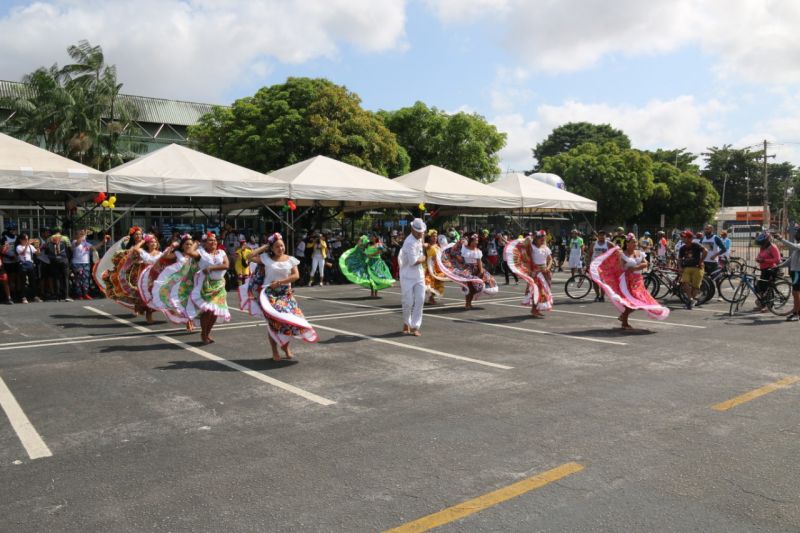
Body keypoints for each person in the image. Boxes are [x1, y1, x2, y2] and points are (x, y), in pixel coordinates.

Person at [245, 233, 317, 360]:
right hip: (269, 296)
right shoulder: (266, 258)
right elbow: (249, 256)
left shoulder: (290, 259)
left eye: (282, 246)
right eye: (277, 246)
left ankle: (286, 347)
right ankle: (275, 351)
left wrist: (280, 282)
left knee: (289, 321)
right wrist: (265, 246)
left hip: (285, 294)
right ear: (272, 248)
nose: (281, 249)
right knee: (273, 324)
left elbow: (296, 276)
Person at [589, 233, 669, 328]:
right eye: (633, 242)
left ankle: (623, 317)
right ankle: (624, 321)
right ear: (627, 243)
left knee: (640, 301)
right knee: (631, 301)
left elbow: (645, 263)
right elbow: (622, 267)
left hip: (638, 280)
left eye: (635, 242)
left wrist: (635, 267)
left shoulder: (639, 252)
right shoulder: (623, 254)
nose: (635, 244)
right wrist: (629, 268)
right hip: (627, 281)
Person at [149, 234, 199, 331]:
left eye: (190, 244)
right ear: (182, 245)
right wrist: (172, 246)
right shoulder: (177, 254)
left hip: (191, 280)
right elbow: (164, 256)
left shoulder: (196, 254)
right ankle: (187, 321)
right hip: (178, 282)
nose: (188, 246)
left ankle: (190, 320)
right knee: (180, 302)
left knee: (191, 301)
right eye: (186, 244)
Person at [436, 233, 498, 310]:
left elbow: (479, 262)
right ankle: (467, 304)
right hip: (467, 270)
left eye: (477, 240)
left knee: (479, 286)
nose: (477, 242)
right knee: (469, 287)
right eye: (475, 240)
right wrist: (461, 241)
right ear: (471, 241)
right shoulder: (464, 248)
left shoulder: (478, 251)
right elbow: (454, 251)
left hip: (476, 269)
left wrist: (481, 271)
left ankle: (469, 303)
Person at [187, 232, 230, 344]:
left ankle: (207, 333)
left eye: (215, 240)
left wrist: (211, 267)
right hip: (206, 285)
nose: (213, 242)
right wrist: (196, 242)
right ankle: (203, 333)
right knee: (208, 311)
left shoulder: (221, 252)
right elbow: (189, 252)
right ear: (204, 243)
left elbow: (226, 265)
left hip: (219, 285)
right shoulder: (201, 253)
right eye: (210, 240)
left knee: (215, 312)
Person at [400, 219, 427, 336]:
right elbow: (413, 262)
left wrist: (424, 244)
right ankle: (406, 322)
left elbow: (421, 244)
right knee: (408, 302)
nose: (421, 233)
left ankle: (415, 326)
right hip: (407, 276)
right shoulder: (409, 242)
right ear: (412, 230)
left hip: (419, 275)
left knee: (420, 300)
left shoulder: (419, 238)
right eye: (418, 232)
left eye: (422, 232)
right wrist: (423, 258)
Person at [72, 230, 109, 300]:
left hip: (86, 263)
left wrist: (103, 242)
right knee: (78, 279)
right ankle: (79, 294)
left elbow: (94, 248)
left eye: (84, 235)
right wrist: (83, 235)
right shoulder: (74, 242)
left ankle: (85, 293)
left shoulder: (86, 243)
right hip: (77, 263)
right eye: (81, 235)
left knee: (85, 279)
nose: (84, 236)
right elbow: (78, 242)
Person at [774, 228, 800, 321]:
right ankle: (797, 311)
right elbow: (790, 260)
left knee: (796, 293)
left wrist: (781, 239)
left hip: (798, 272)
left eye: (798, 232)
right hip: (795, 272)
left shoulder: (798, 246)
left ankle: (796, 314)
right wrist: (778, 266)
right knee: (795, 293)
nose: (796, 234)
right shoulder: (797, 247)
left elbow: (794, 246)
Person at [677, 230, 706, 309]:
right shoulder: (682, 248)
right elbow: (679, 259)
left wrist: (701, 261)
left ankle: (690, 302)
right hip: (686, 268)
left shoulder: (696, 245)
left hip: (697, 267)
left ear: (690, 238)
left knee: (695, 286)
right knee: (684, 282)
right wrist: (679, 267)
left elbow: (705, 251)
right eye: (682, 237)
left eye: (684, 237)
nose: (683, 239)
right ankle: (690, 299)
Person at [753, 232, 781, 313]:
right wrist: (758, 258)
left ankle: (769, 306)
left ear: (767, 241)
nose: (761, 245)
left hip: (771, 270)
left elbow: (777, 259)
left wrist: (765, 260)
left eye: (762, 243)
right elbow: (760, 255)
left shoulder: (773, 247)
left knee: (769, 288)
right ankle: (763, 304)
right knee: (761, 287)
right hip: (763, 269)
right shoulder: (763, 247)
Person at [44, 227, 73, 302]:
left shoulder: (49, 239)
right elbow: (70, 249)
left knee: (56, 278)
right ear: (60, 231)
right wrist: (68, 259)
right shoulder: (65, 238)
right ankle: (66, 296)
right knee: (66, 278)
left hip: (54, 261)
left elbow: (46, 251)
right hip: (64, 260)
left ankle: (57, 297)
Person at [424, 231, 446, 304]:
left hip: (437, 267)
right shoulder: (428, 245)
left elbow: (440, 256)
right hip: (429, 266)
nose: (435, 238)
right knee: (430, 283)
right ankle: (430, 298)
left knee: (437, 283)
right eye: (433, 236)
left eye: (436, 236)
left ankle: (431, 298)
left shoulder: (437, 246)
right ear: (429, 238)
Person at [590, 230, 610, 302]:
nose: (602, 236)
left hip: (604, 265)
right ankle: (597, 295)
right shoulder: (594, 244)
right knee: (594, 281)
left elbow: (616, 250)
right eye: (600, 235)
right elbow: (590, 253)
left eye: (603, 235)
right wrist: (587, 263)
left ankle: (602, 296)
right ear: (598, 236)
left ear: (605, 236)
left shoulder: (608, 244)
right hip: (594, 265)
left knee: (602, 281)